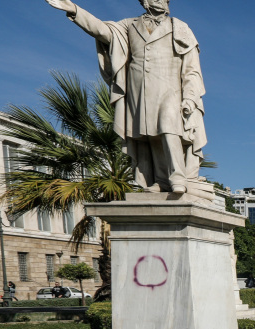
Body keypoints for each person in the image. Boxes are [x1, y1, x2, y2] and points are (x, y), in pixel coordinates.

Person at [45, 0, 207, 194]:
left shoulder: (180, 28)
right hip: (139, 93)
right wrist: (74, 10)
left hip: (170, 91)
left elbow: (191, 69)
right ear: (144, 1)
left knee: (169, 125)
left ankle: (178, 177)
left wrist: (189, 97)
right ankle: (161, 180)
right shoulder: (129, 25)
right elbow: (102, 30)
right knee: (149, 135)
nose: (160, 1)